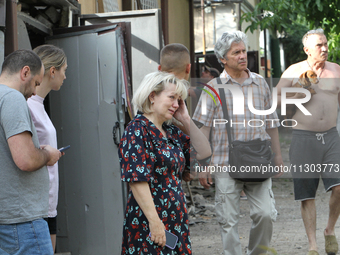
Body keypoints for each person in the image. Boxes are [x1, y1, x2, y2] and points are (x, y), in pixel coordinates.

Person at [193, 31, 283, 255]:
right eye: (236, 53)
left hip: (258, 161)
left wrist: (278, 158)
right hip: (224, 163)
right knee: (228, 221)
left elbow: (271, 125)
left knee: (265, 214)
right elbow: (203, 128)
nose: (243, 56)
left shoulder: (260, 83)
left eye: (244, 51)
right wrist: (203, 163)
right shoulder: (212, 88)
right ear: (223, 59)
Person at [118, 71, 211, 255]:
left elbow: (205, 152)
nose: (176, 104)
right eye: (171, 98)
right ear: (152, 96)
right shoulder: (136, 130)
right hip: (149, 223)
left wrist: (185, 118)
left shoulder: (170, 132)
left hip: (176, 221)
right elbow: (137, 180)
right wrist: (155, 222)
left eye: (179, 100)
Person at [276, 28, 340, 255]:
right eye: (318, 45)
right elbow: (276, 99)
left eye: (325, 44)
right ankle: (313, 245)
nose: (324, 49)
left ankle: (329, 230)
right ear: (306, 50)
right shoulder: (294, 71)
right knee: (307, 194)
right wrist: (301, 92)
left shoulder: (336, 70)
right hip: (303, 138)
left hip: (331, 136)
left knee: (339, 187)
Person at [0, 49, 62, 254]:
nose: (35, 92)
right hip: (22, 220)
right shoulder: (12, 98)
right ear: (25, 72)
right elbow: (25, 159)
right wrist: (47, 154)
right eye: (36, 83)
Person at [27, 44, 67, 253]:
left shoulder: (39, 104)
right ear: (53, 71)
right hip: (37, 204)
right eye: (64, 70)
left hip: (49, 200)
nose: (65, 76)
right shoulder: (28, 105)